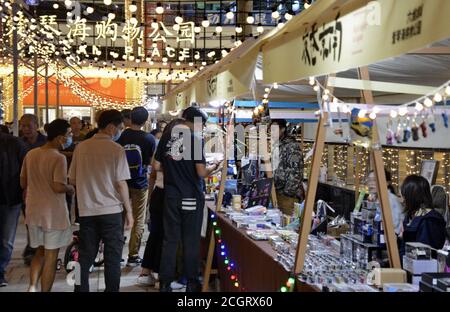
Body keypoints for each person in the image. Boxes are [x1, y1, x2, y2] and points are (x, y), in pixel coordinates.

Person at [154, 108, 220, 292]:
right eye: (203, 124)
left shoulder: (167, 137)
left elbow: (156, 165)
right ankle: (192, 282)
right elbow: (201, 172)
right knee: (190, 240)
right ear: (196, 122)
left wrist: (174, 172)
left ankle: (165, 283)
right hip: (190, 196)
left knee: (170, 240)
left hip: (171, 196)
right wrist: (214, 167)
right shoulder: (195, 140)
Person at [69, 109, 134, 292]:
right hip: (112, 212)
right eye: (120, 127)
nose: (120, 131)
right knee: (113, 258)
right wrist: (129, 212)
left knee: (84, 257)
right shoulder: (116, 149)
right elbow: (121, 184)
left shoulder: (81, 147)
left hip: (87, 211)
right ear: (111, 127)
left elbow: (72, 179)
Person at [20, 119, 74, 292]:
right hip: (53, 214)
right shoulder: (58, 158)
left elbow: (23, 182)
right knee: (51, 256)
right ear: (59, 137)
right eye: (68, 135)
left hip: (33, 211)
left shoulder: (32, 154)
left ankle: (32, 286)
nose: (69, 138)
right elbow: (57, 186)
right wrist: (70, 188)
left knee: (40, 252)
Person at [138, 119, 184, 287]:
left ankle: (146, 271)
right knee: (167, 237)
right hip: (171, 196)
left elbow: (152, 175)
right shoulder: (181, 149)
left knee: (155, 233)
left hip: (158, 194)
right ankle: (161, 276)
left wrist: (151, 197)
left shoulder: (162, 147)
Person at [117, 107, 156, 266]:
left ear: (130, 118)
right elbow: (151, 163)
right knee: (139, 219)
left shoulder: (122, 135)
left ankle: (117, 254)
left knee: (120, 218)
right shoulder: (149, 139)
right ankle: (133, 256)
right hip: (140, 183)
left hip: (122, 182)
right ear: (146, 121)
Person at [0, 130, 28, 287]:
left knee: (6, 239)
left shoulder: (14, 143)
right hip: (10, 197)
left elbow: (26, 169)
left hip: (10, 198)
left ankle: (0, 271)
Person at [19, 114, 47, 264]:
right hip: (27, 190)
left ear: (37, 125)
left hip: (45, 189)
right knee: (30, 221)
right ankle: (33, 248)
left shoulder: (46, 143)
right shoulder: (19, 143)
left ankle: (39, 249)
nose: (25, 129)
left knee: (43, 222)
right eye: (22, 126)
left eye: (28, 125)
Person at [400, 175, 446, 254]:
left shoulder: (430, 220)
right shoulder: (410, 215)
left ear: (412, 197)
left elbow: (424, 253)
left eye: (404, 196)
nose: (402, 200)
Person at [270, 119, 303, 216]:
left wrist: (287, 192)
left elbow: (296, 172)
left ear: (283, 129)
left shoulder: (292, 146)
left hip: (287, 197)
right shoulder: (277, 146)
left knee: (288, 226)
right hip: (277, 193)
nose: (272, 133)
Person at [367, 170, 404, 235]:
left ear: (386, 183)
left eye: (375, 180)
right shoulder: (377, 198)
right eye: (369, 180)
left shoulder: (390, 199)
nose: (371, 183)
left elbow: (393, 226)